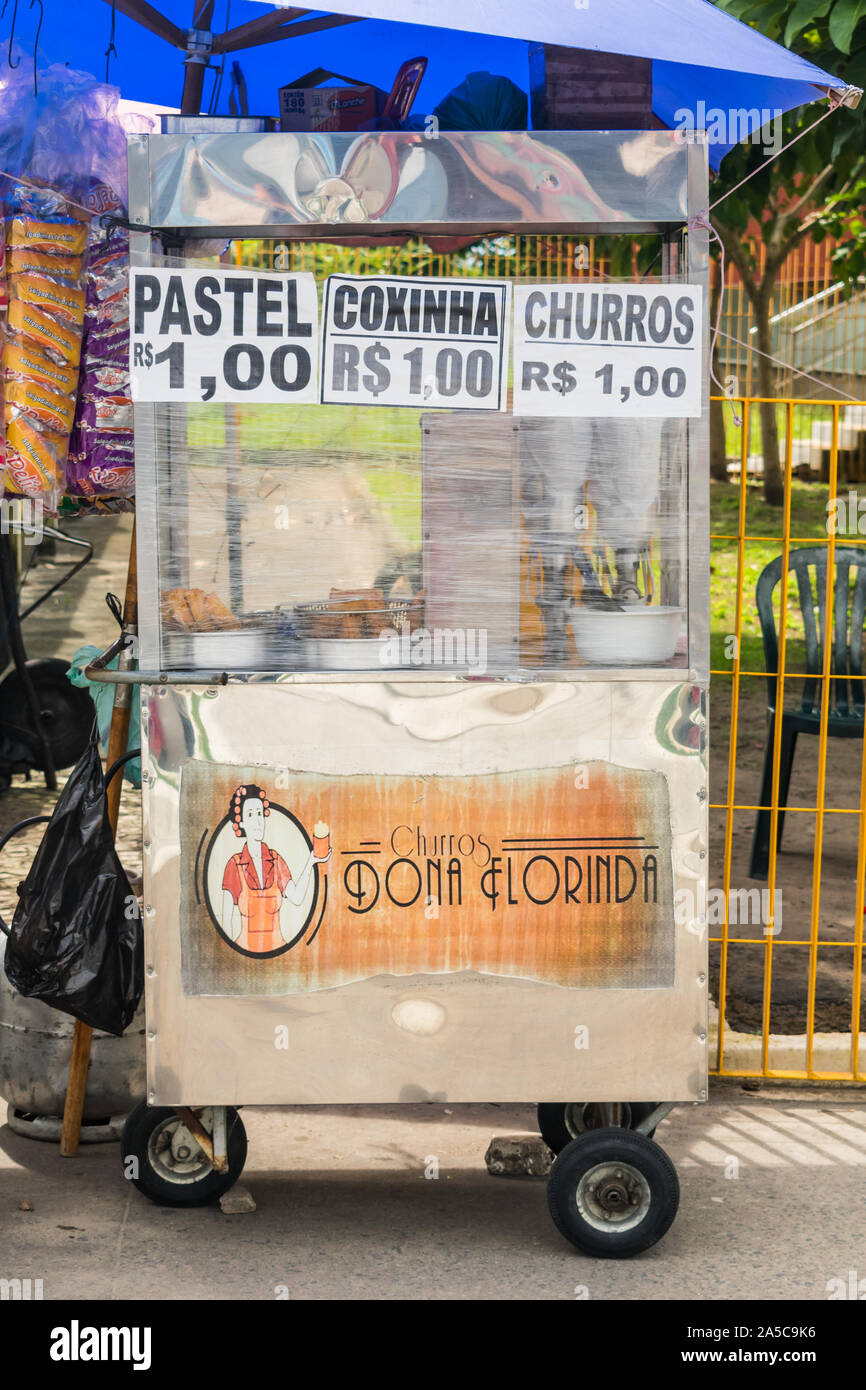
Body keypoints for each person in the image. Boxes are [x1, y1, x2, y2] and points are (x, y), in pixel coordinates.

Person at [220, 783, 330, 953]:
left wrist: (311, 862)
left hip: (279, 955)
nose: (257, 821)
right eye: (250, 815)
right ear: (240, 822)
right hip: (245, 957)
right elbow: (226, 922)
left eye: (259, 814)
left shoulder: (276, 860)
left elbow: (297, 897)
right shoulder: (234, 865)